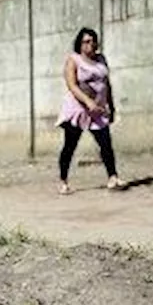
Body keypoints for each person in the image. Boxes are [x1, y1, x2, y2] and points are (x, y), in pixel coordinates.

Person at [56, 27, 122, 194]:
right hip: (77, 108)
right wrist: (87, 101)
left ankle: (112, 177)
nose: (90, 45)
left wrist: (111, 106)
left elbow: (107, 85)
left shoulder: (101, 59)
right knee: (70, 146)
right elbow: (71, 85)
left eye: (93, 41)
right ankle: (63, 180)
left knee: (105, 143)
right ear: (79, 44)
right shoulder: (74, 59)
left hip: (97, 109)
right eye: (86, 41)